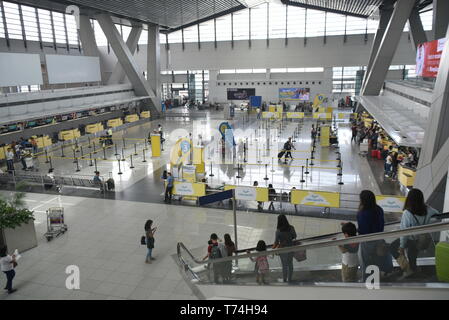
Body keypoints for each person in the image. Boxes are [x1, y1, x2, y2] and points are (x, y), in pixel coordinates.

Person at [389, 189, 439, 278]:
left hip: (410, 239)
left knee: (393, 247)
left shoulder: (407, 213)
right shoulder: (428, 210)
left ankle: (407, 270)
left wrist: (402, 246)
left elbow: (404, 233)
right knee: (412, 258)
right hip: (419, 240)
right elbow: (438, 215)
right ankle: (414, 273)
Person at [357, 190, 393, 281]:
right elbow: (381, 224)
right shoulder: (379, 209)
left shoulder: (362, 213)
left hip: (367, 241)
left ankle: (368, 279)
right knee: (378, 257)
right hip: (379, 238)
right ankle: (381, 275)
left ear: (363, 200)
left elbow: (363, 230)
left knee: (366, 260)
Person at [272, 214, 297, 283]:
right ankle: (290, 279)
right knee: (290, 264)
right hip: (291, 248)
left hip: (282, 250)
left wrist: (272, 249)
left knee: (284, 265)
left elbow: (276, 242)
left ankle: (285, 279)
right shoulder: (291, 228)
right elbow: (294, 236)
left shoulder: (278, 231)